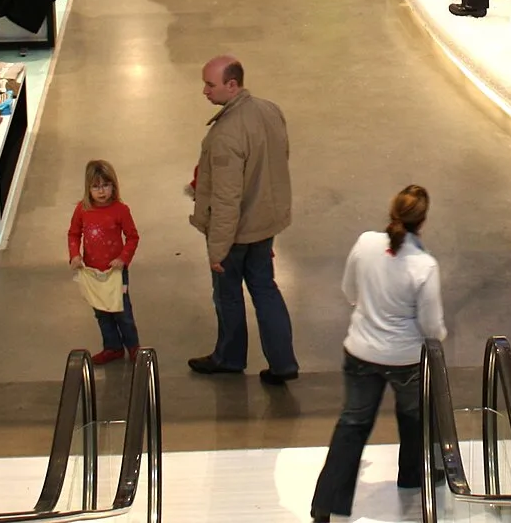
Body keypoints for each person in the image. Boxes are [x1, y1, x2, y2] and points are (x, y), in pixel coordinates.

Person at [308, 186, 445, 522]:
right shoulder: (424, 265)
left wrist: (368, 309)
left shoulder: (366, 243)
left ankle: (326, 503)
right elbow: (430, 324)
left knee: (352, 423)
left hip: (360, 352)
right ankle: (412, 475)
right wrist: (438, 336)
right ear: (423, 221)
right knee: (414, 419)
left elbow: (348, 290)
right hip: (406, 360)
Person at [188, 55, 298, 384]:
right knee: (266, 290)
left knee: (228, 295)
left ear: (232, 85)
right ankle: (283, 363)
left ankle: (229, 357)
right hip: (265, 224)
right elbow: (281, 159)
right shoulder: (270, 110)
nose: (204, 91)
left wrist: (217, 249)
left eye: (211, 84)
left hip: (235, 233)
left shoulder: (226, 135)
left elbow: (226, 198)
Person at [68, 159, 141, 364]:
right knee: (101, 311)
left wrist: (123, 259)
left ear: (113, 186)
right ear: (88, 188)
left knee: (122, 311)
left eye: (105, 186)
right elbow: (73, 234)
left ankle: (133, 347)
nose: (101, 192)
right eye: (96, 187)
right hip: (92, 272)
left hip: (116, 273)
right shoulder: (82, 210)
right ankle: (112, 347)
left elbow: (133, 237)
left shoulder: (121, 210)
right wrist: (75, 255)